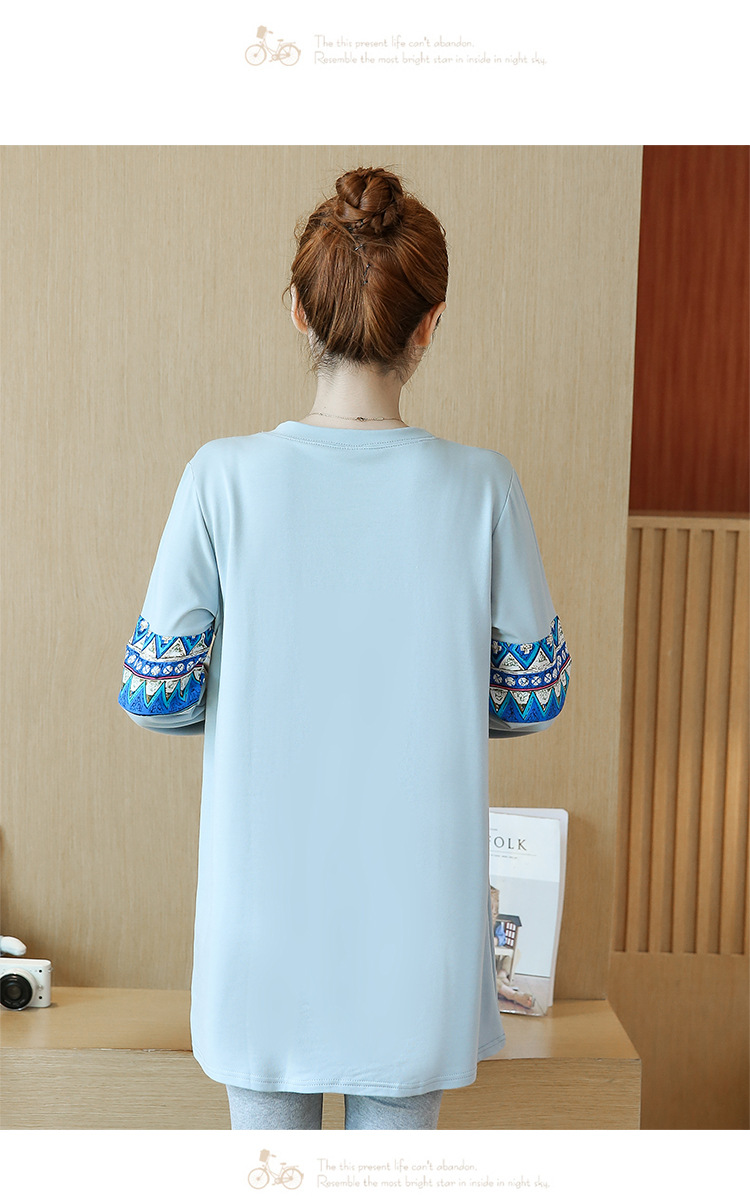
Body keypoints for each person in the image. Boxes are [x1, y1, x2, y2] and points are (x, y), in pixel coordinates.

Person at [117, 166, 571, 1130]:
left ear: (298, 311)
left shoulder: (220, 478)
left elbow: (156, 695)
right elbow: (531, 698)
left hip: (261, 926)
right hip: (415, 931)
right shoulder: (483, 487)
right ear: (430, 325)